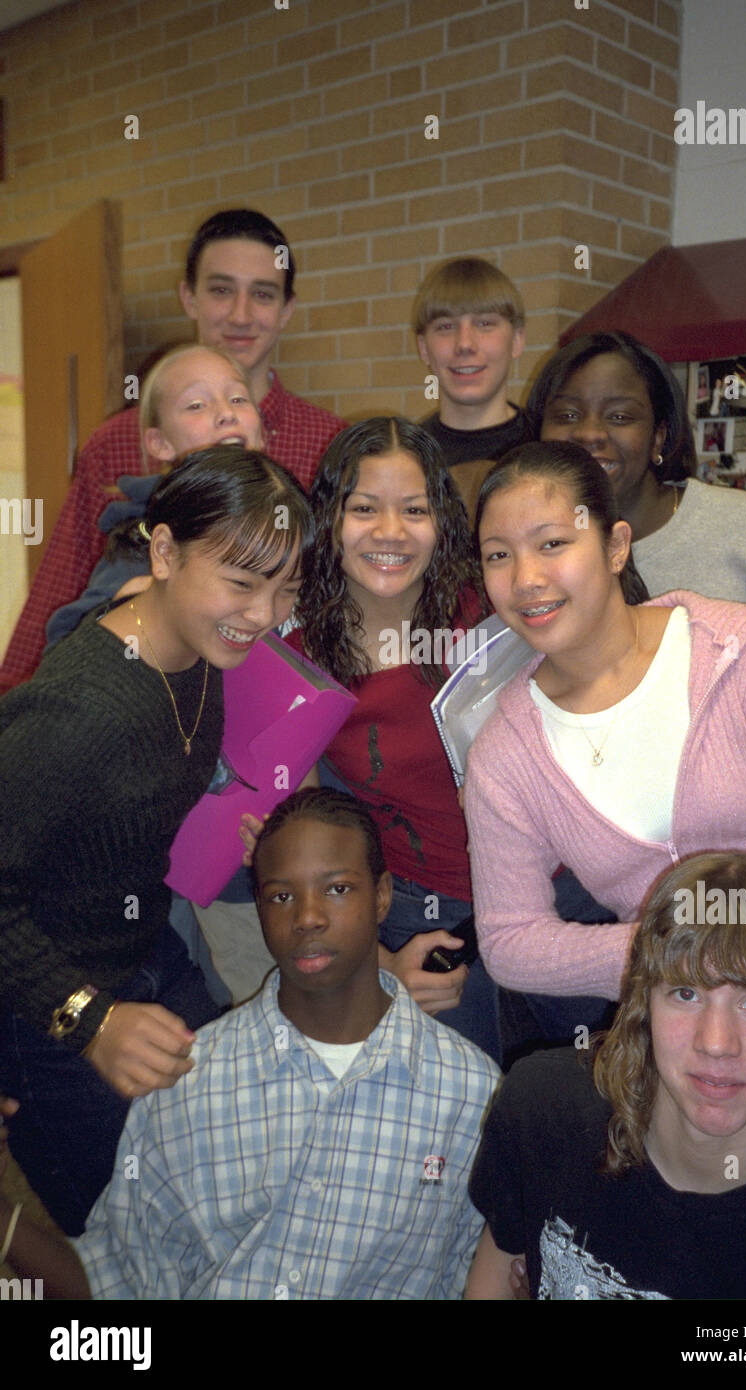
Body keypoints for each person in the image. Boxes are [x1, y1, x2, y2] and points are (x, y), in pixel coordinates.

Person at [463, 440, 746, 1125]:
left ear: (616, 545)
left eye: (552, 542)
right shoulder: (504, 751)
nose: (526, 577)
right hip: (686, 1060)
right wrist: (677, 948)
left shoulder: (742, 657)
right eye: (499, 554)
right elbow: (509, 942)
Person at [0, 788, 500, 1299]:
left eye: (338, 889)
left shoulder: (470, 1096)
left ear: (383, 896)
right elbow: (114, 1285)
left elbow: (485, 1275)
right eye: (282, 896)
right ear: (259, 908)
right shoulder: (186, 1082)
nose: (307, 917)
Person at [0, 446, 311, 1234]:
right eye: (241, 582)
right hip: (48, 1013)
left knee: (229, 1169)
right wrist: (89, 1019)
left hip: (147, 959)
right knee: (113, 1238)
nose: (264, 613)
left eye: (285, 588)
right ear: (165, 551)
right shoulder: (77, 711)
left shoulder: (200, 649)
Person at [466, 852, 746, 1300]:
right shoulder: (541, 1109)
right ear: (643, 1004)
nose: (716, 1042)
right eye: (686, 992)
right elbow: (496, 1273)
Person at [1, 207, 345, 692]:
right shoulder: (115, 442)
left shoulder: (329, 443)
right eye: (221, 290)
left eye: (263, 294)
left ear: (287, 309)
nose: (241, 314)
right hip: (144, 697)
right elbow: (61, 588)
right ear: (189, 297)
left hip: (274, 707)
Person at [528, 329, 746, 813]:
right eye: (566, 414)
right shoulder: (534, 567)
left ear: (660, 437)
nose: (589, 433)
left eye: (620, 416)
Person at [289, 417, 501, 1059]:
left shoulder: (490, 611)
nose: (389, 532)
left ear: (442, 521)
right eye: (363, 509)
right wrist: (378, 962)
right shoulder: (298, 654)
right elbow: (305, 832)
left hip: (554, 891)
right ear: (330, 519)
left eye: (413, 509)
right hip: (426, 917)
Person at [44, 343, 265, 648]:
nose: (227, 413)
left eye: (239, 398)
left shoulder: (284, 521)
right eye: (197, 405)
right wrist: (129, 609)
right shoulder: (144, 540)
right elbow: (66, 642)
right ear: (160, 444)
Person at [413, 257, 532, 476]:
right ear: (423, 348)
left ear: (517, 340)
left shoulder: (547, 447)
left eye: (485, 324)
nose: (464, 344)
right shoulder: (408, 457)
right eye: (446, 326)